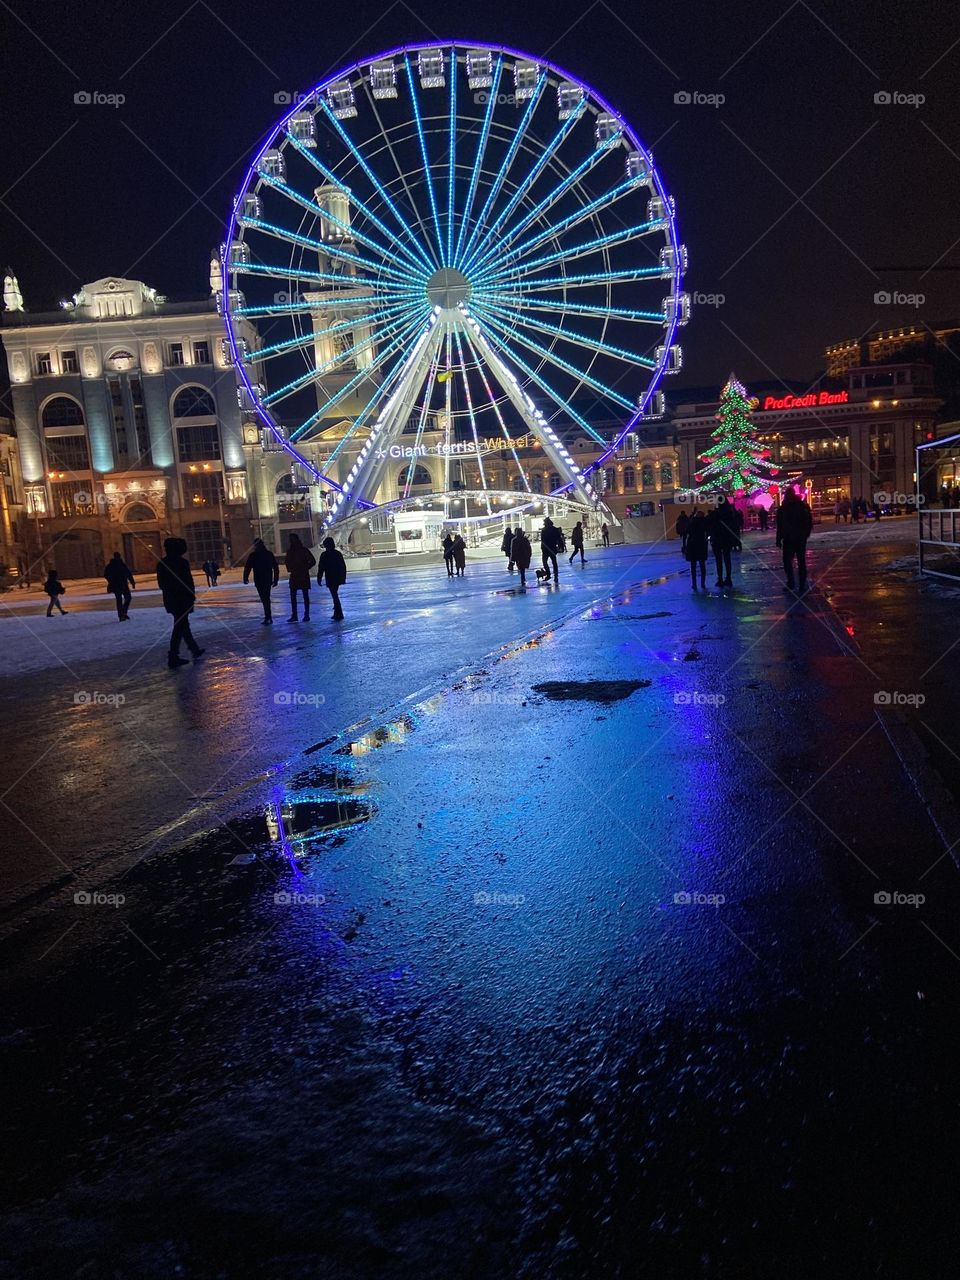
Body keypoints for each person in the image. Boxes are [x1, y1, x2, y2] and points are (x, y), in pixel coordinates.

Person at [157, 537, 203, 667]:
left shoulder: (163, 563)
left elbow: (162, 584)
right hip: (182, 599)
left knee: (182, 625)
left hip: (172, 599)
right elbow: (188, 581)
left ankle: (193, 649)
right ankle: (173, 656)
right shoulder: (181, 563)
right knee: (179, 626)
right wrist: (190, 595)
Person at [776, 487, 814, 593]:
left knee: (789, 561)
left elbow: (780, 525)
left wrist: (779, 538)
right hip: (798, 538)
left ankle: (792, 582)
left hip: (790, 538)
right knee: (800, 561)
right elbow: (808, 522)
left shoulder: (784, 508)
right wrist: (805, 534)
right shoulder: (801, 506)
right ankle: (800, 584)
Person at [243, 538, 279, 624]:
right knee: (266, 598)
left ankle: (268, 616)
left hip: (260, 579)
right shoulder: (267, 554)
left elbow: (248, 567)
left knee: (264, 598)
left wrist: (245, 577)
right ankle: (268, 616)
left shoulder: (254, 555)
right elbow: (275, 567)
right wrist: (275, 579)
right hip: (266, 579)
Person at [706, 496, 739, 587]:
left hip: (717, 538)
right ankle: (728, 578)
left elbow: (709, 524)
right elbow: (734, 525)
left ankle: (720, 578)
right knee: (727, 558)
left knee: (718, 560)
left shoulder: (715, 514)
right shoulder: (730, 513)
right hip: (726, 538)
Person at [284, 533, 315, 621]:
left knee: (302, 595)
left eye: (292, 539)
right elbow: (287, 561)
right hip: (297, 574)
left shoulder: (301, 550)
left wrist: (304, 568)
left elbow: (312, 561)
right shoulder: (293, 551)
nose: (291, 541)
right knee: (296, 596)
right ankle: (297, 615)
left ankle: (304, 614)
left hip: (301, 574)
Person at [317, 536, 347, 620]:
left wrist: (319, 577)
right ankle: (337, 612)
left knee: (334, 595)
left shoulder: (324, 555)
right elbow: (342, 566)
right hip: (337, 577)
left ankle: (338, 612)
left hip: (330, 577)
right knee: (334, 594)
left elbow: (321, 568)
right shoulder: (337, 554)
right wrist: (343, 577)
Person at [104, 551, 135, 621]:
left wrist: (132, 582)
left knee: (123, 599)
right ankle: (122, 614)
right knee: (124, 599)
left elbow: (128, 573)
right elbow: (128, 574)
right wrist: (132, 582)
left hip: (120, 585)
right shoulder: (117, 565)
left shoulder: (115, 565)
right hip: (119, 585)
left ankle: (122, 613)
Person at [685, 509, 709, 590]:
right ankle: (703, 583)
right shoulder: (704, 522)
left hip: (693, 545)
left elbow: (687, 530)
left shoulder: (692, 522)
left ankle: (694, 583)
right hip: (701, 544)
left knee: (693, 566)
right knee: (702, 565)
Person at [540, 517, 562, 583]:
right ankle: (555, 574)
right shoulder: (555, 529)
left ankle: (548, 574)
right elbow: (559, 539)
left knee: (545, 562)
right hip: (552, 548)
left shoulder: (544, 530)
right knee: (554, 562)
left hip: (546, 549)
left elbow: (542, 540)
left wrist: (542, 548)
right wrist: (560, 546)